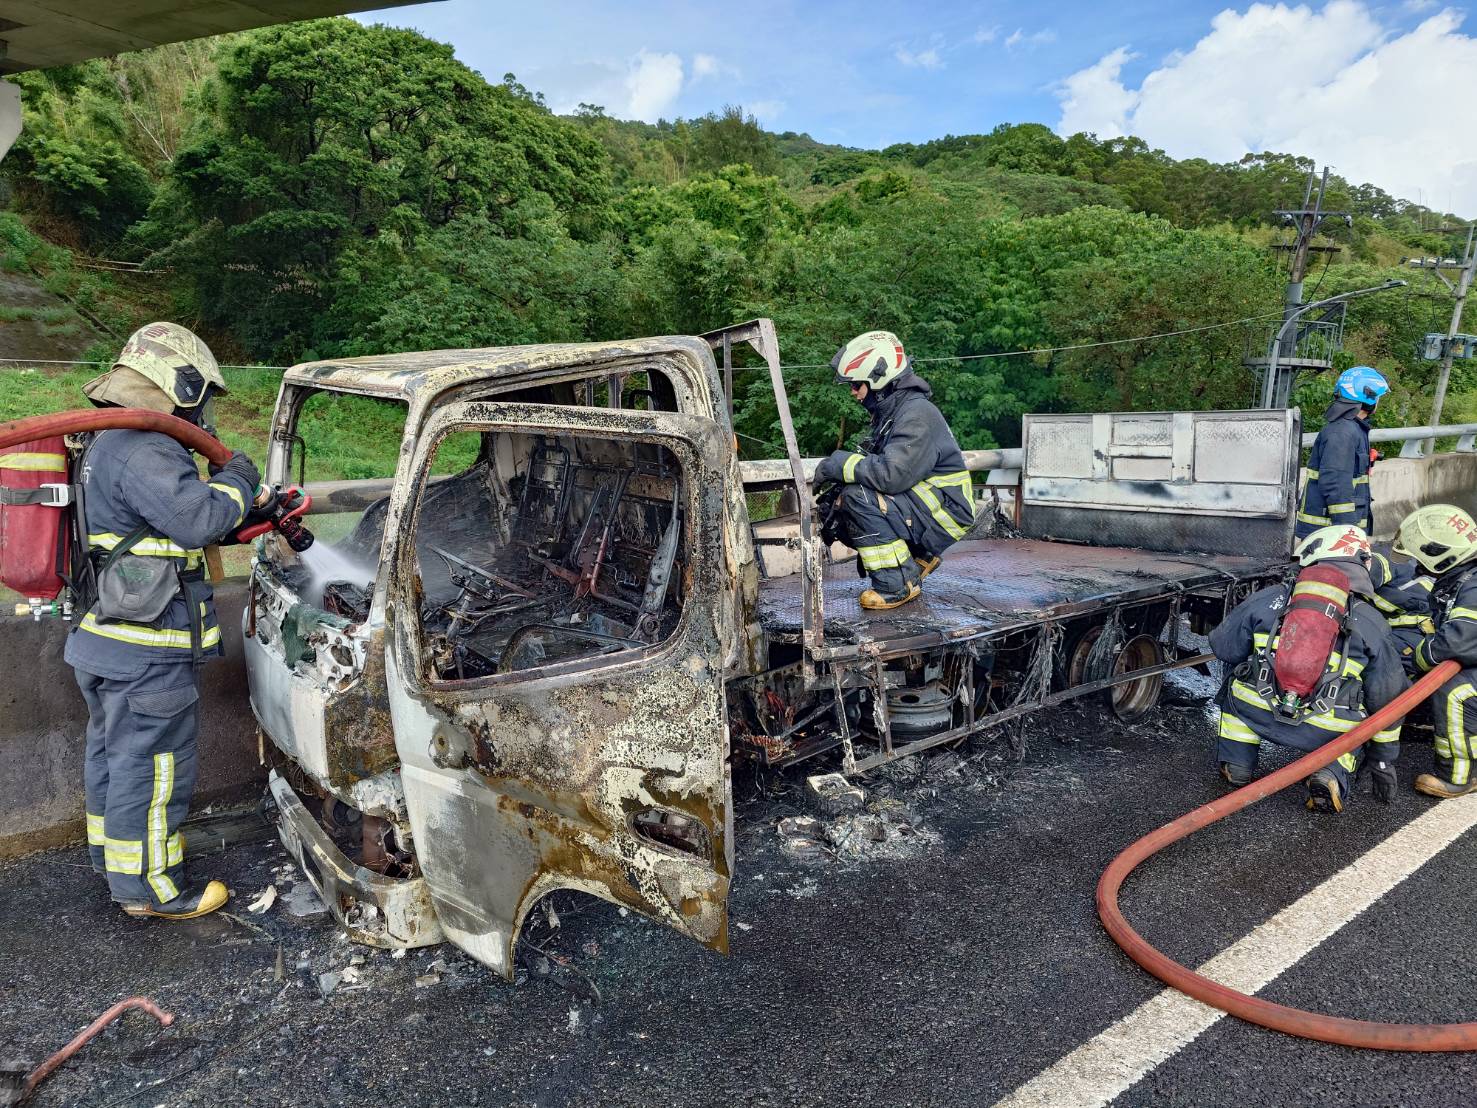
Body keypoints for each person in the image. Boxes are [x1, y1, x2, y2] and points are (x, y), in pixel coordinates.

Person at [67, 322, 261, 920]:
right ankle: (150, 890)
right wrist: (239, 481)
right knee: (152, 771)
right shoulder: (144, 446)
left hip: (106, 643)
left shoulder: (103, 443)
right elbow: (197, 519)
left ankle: (115, 859)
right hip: (147, 651)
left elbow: (152, 529)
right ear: (180, 385)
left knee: (113, 758)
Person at [1210, 524, 1408, 812]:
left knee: (1236, 685)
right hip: (1327, 729)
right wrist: (1383, 760)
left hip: (1255, 710)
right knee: (1359, 729)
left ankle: (1238, 762)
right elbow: (1388, 698)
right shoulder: (1370, 619)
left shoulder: (1271, 596)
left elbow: (1224, 647)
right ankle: (1330, 773)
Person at [812, 330, 973, 610]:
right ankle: (916, 560)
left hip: (946, 508)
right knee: (840, 502)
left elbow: (890, 475)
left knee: (856, 498)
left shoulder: (916, 414)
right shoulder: (898, 411)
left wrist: (839, 464)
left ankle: (897, 584)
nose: (853, 393)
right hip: (933, 504)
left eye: (856, 385)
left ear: (878, 379)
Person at [1396, 505, 1477, 799]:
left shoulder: (1473, 585)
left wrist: (1417, 656)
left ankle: (1459, 775)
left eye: (1421, 559)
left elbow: (1457, 642)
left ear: (1442, 555)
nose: (1417, 565)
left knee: (1455, 690)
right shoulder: (1464, 576)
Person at [1294, 365, 1389, 542]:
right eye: (1378, 397)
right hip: (1330, 535)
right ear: (1367, 396)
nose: (1378, 401)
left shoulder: (1352, 428)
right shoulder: (1343, 433)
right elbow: (1335, 485)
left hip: (1332, 532)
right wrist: (1348, 534)